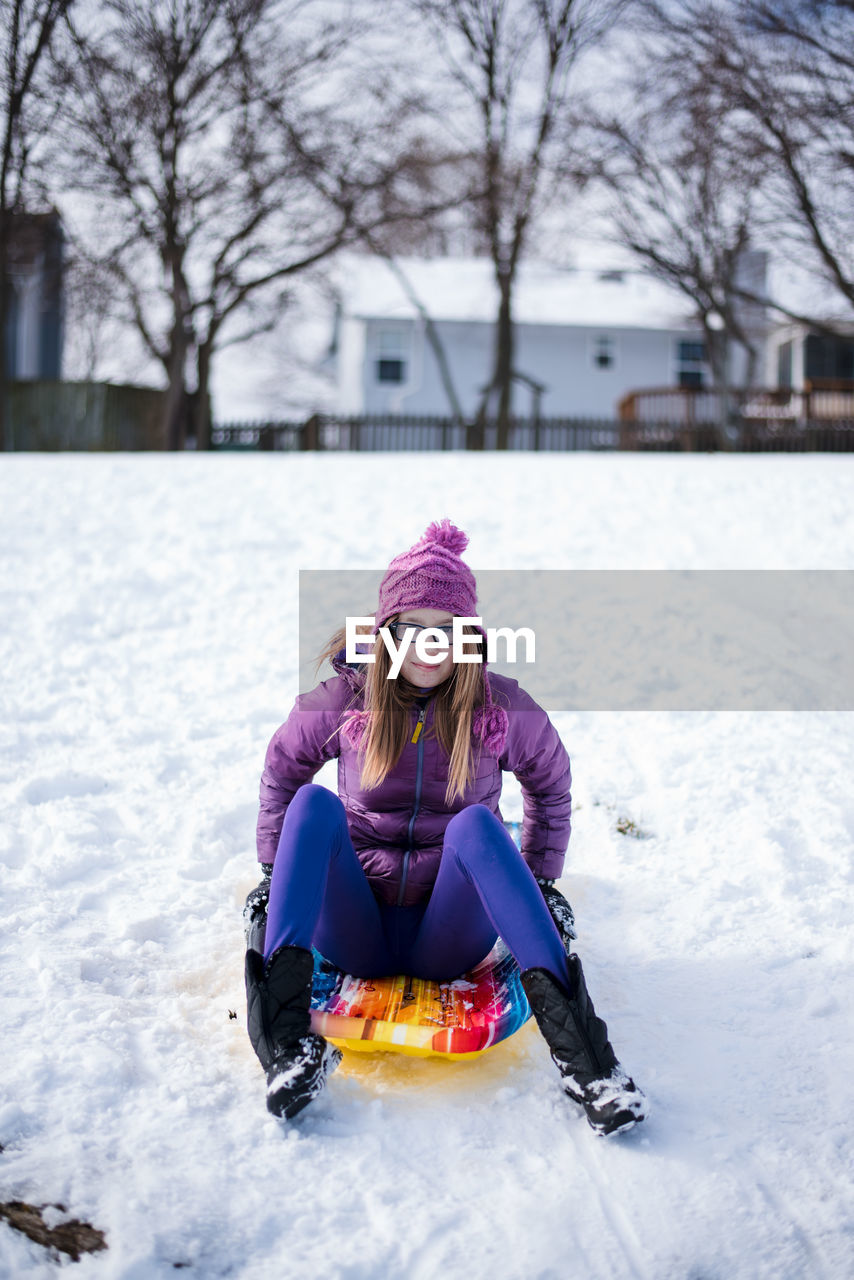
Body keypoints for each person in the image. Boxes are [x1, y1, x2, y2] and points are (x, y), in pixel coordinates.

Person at [243, 519, 648, 1136]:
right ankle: (289, 1044)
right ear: (386, 634)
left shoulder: (497, 705)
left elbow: (550, 784)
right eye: (413, 631)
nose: (429, 649)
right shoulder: (347, 699)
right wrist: (276, 873)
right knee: (312, 805)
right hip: (355, 926)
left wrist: (538, 879)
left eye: (447, 633)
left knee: (479, 826)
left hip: (447, 936)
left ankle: (588, 1063)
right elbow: (282, 768)